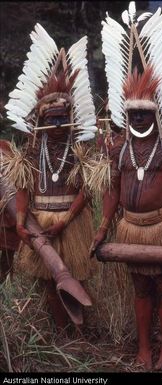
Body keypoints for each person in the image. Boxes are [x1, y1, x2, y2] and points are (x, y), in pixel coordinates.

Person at [90, 4, 162, 370]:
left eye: (144, 114)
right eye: (133, 114)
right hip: (130, 229)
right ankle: (143, 347)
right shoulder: (118, 149)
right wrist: (104, 226)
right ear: (126, 115)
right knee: (140, 290)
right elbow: (111, 191)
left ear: (156, 114)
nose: (139, 119)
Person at [4, 23, 97, 330]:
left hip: (70, 222)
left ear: (70, 120)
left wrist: (67, 220)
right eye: (51, 118)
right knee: (48, 280)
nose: (56, 125)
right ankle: (60, 330)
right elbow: (22, 189)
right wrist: (19, 224)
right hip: (41, 221)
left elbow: (86, 191)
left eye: (62, 119)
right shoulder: (31, 154)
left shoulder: (78, 151)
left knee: (77, 274)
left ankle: (82, 329)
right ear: (41, 119)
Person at [0, 140, 20, 283]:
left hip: (8, 210)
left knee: (7, 255)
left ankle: (4, 281)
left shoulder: (6, 147)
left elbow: (17, 179)